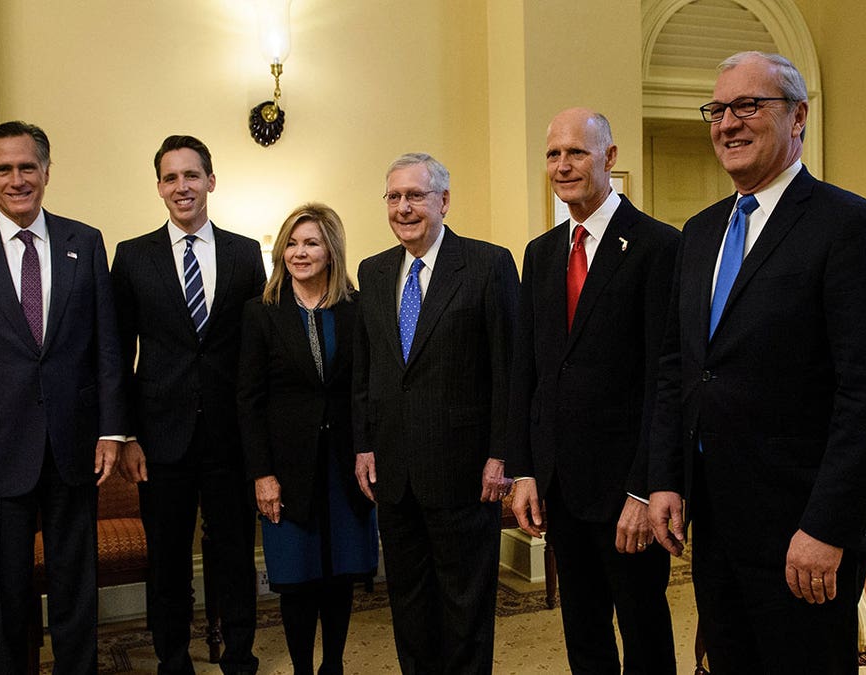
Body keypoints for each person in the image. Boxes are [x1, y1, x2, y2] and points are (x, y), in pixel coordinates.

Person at [648, 51, 866, 673]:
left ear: (798, 116)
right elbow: (680, 366)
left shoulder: (848, 225)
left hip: (803, 529)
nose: (728, 123)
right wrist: (664, 479)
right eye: (717, 110)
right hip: (715, 521)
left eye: (749, 105)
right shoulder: (698, 232)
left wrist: (828, 527)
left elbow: (865, 392)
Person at [0, 121, 126, 674]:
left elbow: (106, 346)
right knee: (6, 592)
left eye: (27, 166)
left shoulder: (82, 241)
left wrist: (112, 429)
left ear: (46, 170)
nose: (17, 179)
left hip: (74, 445)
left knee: (75, 587)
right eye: (3, 168)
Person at [507, 108, 679, 674]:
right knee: (583, 635)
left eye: (576, 152)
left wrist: (644, 488)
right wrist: (526, 470)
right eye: (554, 154)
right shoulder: (541, 253)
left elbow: (664, 379)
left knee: (644, 633)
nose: (563, 165)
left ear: (609, 157)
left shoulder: (657, 247)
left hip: (628, 495)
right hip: (561, 487)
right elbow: (529, 374)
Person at [352, 152, 518, 674]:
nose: (404, 208)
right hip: (395, 476)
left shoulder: (488, 265)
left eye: (415, 196)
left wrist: (502, 455)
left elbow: (509, 371)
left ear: (443, 201)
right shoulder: (373, 272)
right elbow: (367, 369)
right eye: (394, 197)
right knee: (409, 606)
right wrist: (364, 443)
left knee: (465, 610)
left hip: (467, 474)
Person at [112, 134, 266, 674]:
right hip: (160, 439)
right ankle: (172, 659)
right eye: (171, 177)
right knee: (168, 562)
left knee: (235, 558)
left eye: (192, 175)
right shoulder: (131, 257)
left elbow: (258, 349)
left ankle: (240, 657)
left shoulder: (247, 254)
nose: (183, 186)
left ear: (211, 181)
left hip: (230, 437)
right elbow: (117, 351)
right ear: (159, 187)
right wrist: (126, 434)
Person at [237, 203, 378, 675]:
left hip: (344, 466)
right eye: (293, 243)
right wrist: (262, 474)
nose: (300, 252)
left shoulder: (357, 309)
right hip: (287, 471)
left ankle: (332, 666)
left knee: (339, 577)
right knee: (296, 581)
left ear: (331, 249)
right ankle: (301, 669)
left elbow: (368, 388)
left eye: (311, 242)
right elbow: (249, 402)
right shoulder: (261, 313)